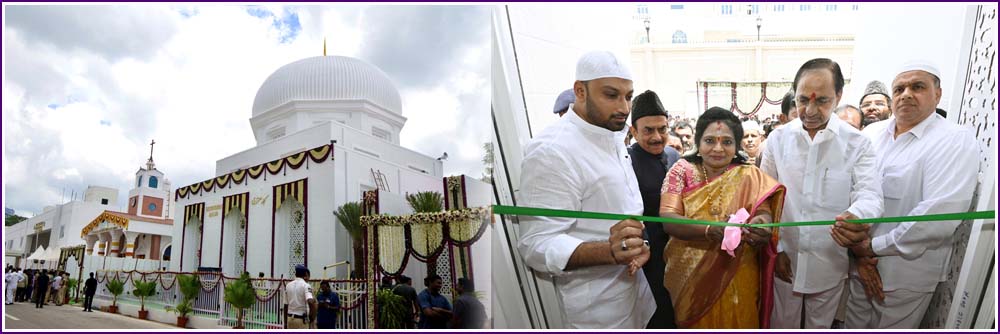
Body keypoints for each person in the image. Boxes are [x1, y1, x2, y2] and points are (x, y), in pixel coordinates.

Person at [516, 50, 655, 328]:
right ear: (580, 91)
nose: (624, 108)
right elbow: (536, 244)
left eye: (628, 96)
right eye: (611, 95)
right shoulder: (553, 151)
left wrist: (639, 245)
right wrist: (609, 251)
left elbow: (620, 211)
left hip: (635, 296)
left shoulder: (610, 131)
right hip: (596, 313)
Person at [839, 61, 980, 329]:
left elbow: (937, 215)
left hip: (906, 274)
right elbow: (850, 189)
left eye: (917, 87)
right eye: (899, 89)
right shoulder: (872, 133)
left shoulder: (954, 139)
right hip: (860, 264)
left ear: (937, 94)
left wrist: (872, 247)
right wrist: (859, 252)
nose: (906, 94)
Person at [760, 58, 884, 329]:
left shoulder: (857, 144)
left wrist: (856, 215)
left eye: (822, 101)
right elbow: (765, 198)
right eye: (803, 100)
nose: (810, 110)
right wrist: (777, 247)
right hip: (786, 258)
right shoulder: (778, 140)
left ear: (838, 96)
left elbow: (871, 196)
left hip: (829, 261)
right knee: (782, 324)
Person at [659, 107, 786, 329]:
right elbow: (669, 218)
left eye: (727, 142)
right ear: (698, 143)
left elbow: (763, 211)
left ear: (736, 146)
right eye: (710, 140)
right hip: (691, 274)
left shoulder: (749, 174)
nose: (718, 148)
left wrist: (762, 225)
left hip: (739, 269)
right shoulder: (682, 170)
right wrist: (709, 231)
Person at [627, 90, 680, 329]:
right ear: (633, 131)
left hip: (680, 249)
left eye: (663, 128)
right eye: (649, 130)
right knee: (660, 314)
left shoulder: (674, 155)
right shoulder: (625, 162)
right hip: (650, 257)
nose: (658, 137)